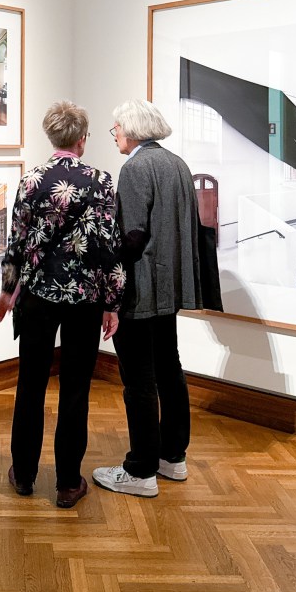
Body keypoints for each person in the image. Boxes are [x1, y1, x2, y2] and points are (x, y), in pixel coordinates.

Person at [0, 100, 126, 508]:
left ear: (51, 137)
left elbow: (15, 242)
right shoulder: (102, 182)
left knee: (30, 384)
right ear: (82, 139)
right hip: (84, 301)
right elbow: (110, 247)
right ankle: (69, 482)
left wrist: (6, 289)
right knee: (75, 389)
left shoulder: (31, 181)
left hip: (36, 299)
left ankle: (24, 474)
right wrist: (113, 302)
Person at [92, 99, 202, 499]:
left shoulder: (136, 167)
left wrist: (110, 287)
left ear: (132, 129)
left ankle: (140, 470)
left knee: (138, 379)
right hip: (169, 289)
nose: (115, 135)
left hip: (140, 290)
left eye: (116, 128)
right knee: (169, 370)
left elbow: (133, 236)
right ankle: (173, 457)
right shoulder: (177, 164)